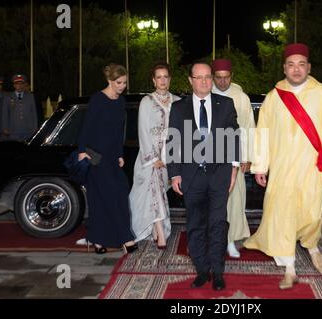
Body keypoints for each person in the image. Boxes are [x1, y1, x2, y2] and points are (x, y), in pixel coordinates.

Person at [243, 43, 322, 290]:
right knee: (281, 218)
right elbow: (262, 134)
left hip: (311, 169)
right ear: (284, 68)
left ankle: (312, 245)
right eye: (291, 64)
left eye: (301, 64)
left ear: (308, 67)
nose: (296, 69)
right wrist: (260, 166)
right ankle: (289, 268)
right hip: (282, 171)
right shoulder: (273, 97)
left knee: (310, 216)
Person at [167, 60, 240, 291]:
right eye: (199, 77)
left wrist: (234, 169)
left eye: (208, 76)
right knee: (196, 225)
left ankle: (218, 272)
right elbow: (172, 141)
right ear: (190, 80)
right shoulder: (179, 108)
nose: (205, 81)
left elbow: (234, 137)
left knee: (218, 224)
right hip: (191, 176)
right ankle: (201, 270)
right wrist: (174, 174)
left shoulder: (226, 104)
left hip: (219, 174)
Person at [77, 63, 137, 254]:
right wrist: (82, 150)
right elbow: (87, 127)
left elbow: (119, 131)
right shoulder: (97, 99)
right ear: (109, 81)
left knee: (115, 193)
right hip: (95, 155)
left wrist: (119, 153)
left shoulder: (120, 101)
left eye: (125, 83)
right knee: (109, 195)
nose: (122, 86)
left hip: (112, 156)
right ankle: (125, 238)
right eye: (119, 82)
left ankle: (98, 239)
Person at [129, 62, 180, 248]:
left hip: (170, 156)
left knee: (158, 193)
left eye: (165, 76)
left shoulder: (177, 101)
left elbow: (179, 131)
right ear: (153, 80)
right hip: (150, 157)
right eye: (159, 77)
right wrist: (153, 158)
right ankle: (161, 234)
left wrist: (175, 156)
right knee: (155, 190)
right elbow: (143, 130)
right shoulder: (147, 101)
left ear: (169, 78)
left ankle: (154, 229)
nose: (162, 80)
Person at [211, 58, 256, 258]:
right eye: (218, 78)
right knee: (212, 202)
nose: (222, 82)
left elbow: (249, 129)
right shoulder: (205, 93)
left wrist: (248, 157)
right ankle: (213, 241)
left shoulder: (241, 97)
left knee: (235, 202)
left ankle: (230, 241)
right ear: (213, 77)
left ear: (231, 76)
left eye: (226, 77)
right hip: (210, 158)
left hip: (234, 160)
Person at [1, 74, 38, 141]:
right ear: (14, 85)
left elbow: (34, 113)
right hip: (13, 129)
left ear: (24, 85)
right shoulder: (8, 97)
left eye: (22, 83)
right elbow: (5, 114)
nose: (19, 85)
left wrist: (35, 127)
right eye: (17, 83)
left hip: (28, 129)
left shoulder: (30, 96)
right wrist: (5, 127)